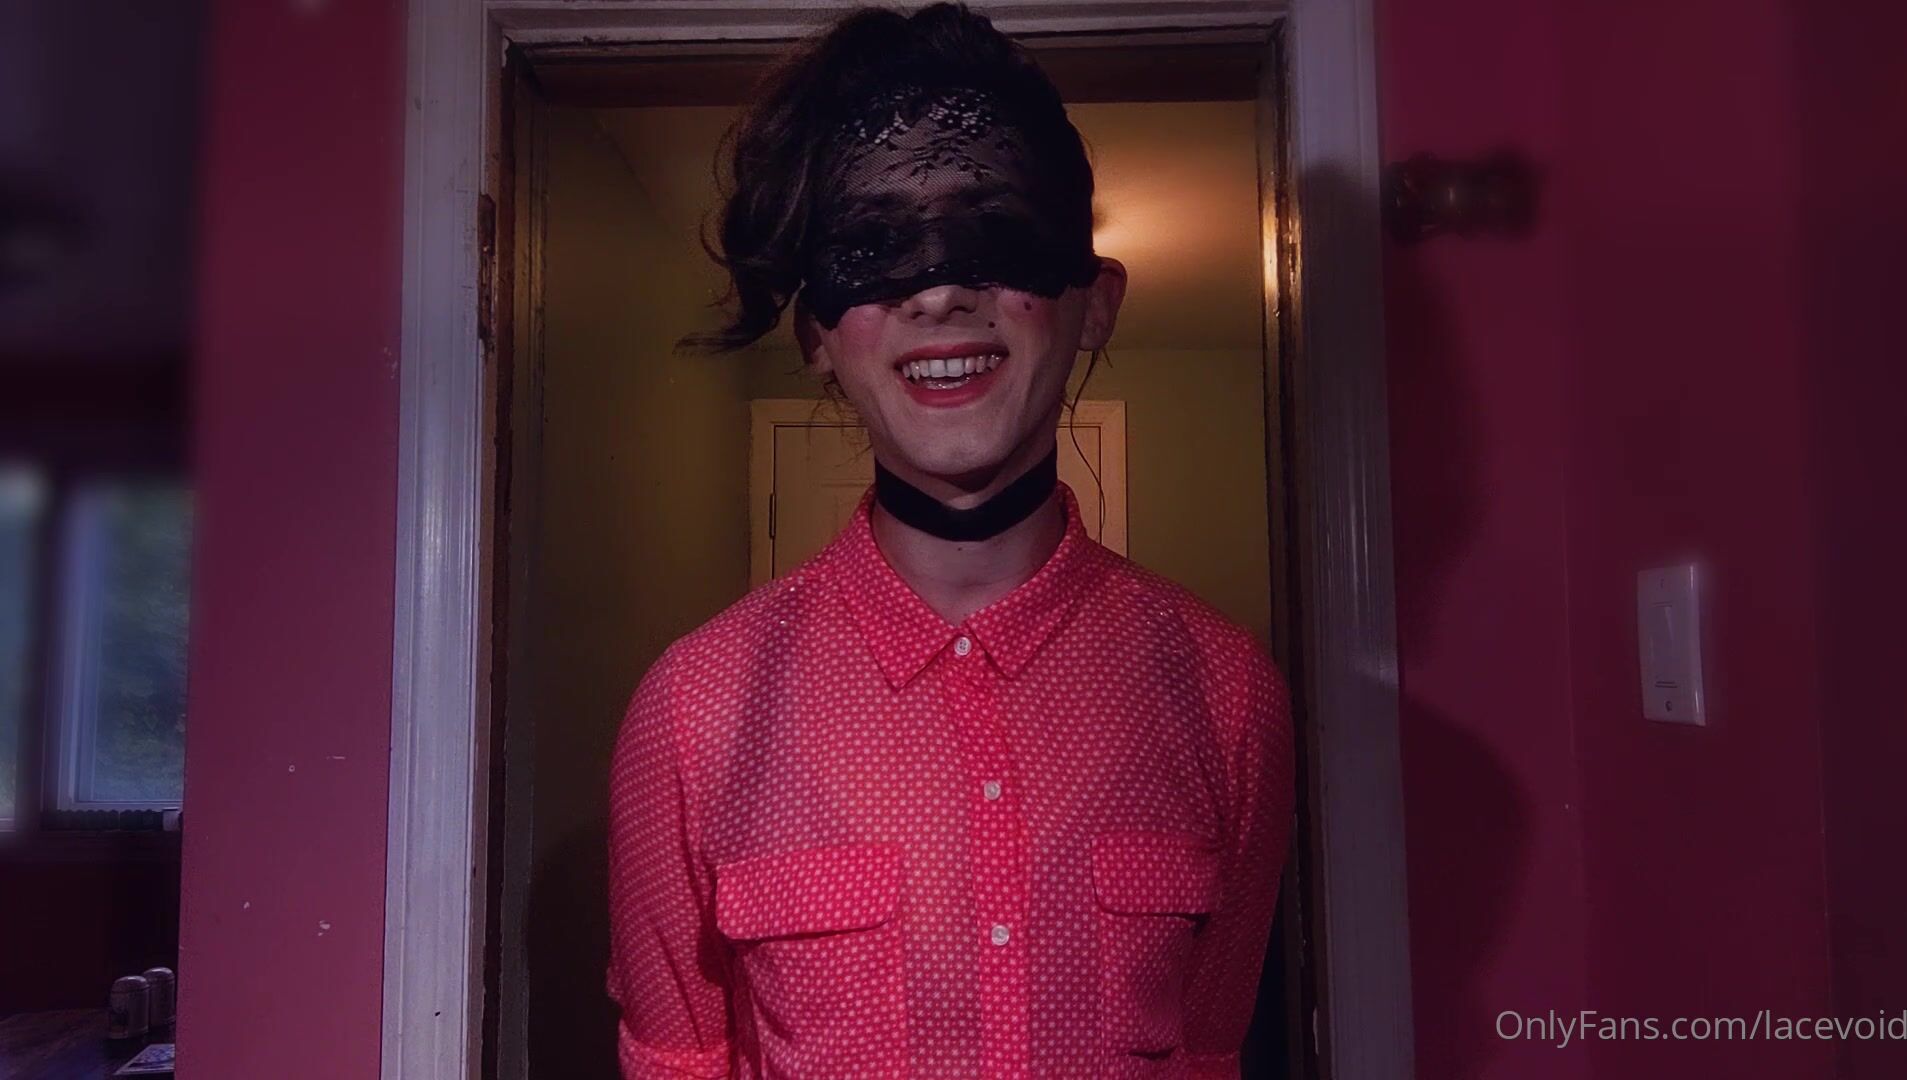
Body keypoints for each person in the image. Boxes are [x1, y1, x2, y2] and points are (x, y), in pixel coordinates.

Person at [606, 5, 1294, 1076]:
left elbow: (1209, 1050)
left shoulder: (1229, 696)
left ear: (1093, 304)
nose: (937, 291)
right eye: (871, 248)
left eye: (996, 231)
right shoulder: (691, 713)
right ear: (818, 337)